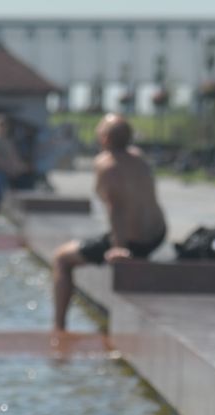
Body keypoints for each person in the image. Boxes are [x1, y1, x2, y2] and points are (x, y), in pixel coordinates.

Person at [50, 114, 168, 332]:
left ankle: (59, 327)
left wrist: (118, 248)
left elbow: (116, 209)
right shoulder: (139, 157)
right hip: (158, 234)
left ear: (103, 138)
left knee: (61, 259)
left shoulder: (106, 165)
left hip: (133, 241)